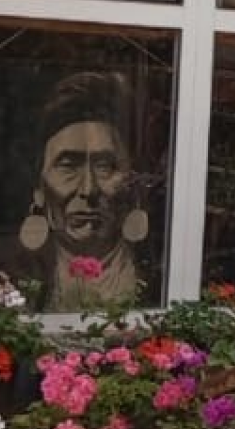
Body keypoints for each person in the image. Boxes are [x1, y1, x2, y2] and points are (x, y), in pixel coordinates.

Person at [17, 70, 151, 310]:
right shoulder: (12, 277)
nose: (88, 189)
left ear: (132, 182)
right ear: (38, 186)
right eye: (68, 166)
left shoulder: (160, 277)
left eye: (106, 166)